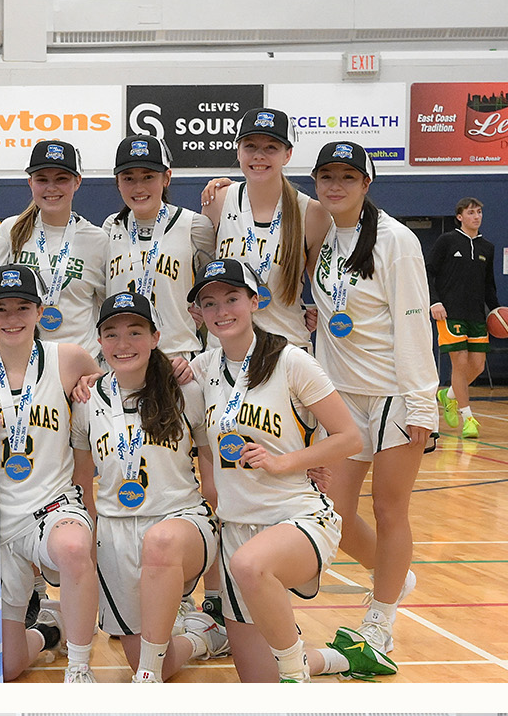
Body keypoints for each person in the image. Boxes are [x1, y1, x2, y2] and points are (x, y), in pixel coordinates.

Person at [188, 258, 377, 685]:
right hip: (238, 526)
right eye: (210, 303)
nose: (222, 311)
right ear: (198, 314)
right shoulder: (202, 369)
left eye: (232, 298)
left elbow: (350, 437)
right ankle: (341, 657)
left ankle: (295, 676)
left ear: (255, 300)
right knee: (257, 679)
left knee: (250, 566)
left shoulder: (292, 360)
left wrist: (286, 461)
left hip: (297, 515)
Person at [305, 141, 437, 662]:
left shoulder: (396, 241)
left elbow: (412, 322)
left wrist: (423, 403)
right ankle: (393, 576)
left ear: (366, 183)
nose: (335, 186)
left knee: (388, 507)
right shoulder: (323, 236)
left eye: (347, 177)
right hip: (340, 398)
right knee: (333, 516)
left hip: (393, 395)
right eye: (326, 177)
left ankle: (380, 618)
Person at [0, 264, 101, 682]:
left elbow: (114, 401)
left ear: (39, 311)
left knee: (71, 548)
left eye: (22, 308)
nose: (12, 318)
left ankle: (80, 668)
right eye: (1, 309)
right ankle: (50, 630)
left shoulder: (68, 359)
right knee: (8, 668)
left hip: (53, 506)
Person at [72, 289, 224, 684]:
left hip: (181, 520)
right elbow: (82, 483)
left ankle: (148, 680)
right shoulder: (86, 399)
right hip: (117, 529)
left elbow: (212, 466)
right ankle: (204, 636)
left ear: (156, 336)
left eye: (136, 332)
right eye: (112, 334)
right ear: (100, 341)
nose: (124, 344)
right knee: (156, 656)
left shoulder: (185, 388)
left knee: (160, 544)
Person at [201, 109, 319, 351]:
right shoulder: (218, 200)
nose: (259, 156)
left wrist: (317, 312)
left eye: (271, 148)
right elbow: (202, 275)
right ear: (238, 151)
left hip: (287, 349)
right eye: (251, 146)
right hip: (225, 349)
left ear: (288, 155)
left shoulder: (312, 213)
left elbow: (325, 288)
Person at [102, 135, 216, 360]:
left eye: (148, 177)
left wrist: (202, 310)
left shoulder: (194, 225)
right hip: (123, 358)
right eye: (128, 178)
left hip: (178, 358)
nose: (138, 187)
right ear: (117, 181)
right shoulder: (110, 227)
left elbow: (218, 285)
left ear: (167, 178)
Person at [0, 139, 110, 357]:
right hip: (25, 362)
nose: (51, 187)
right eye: (42, 179)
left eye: (61, 179)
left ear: (77, 182)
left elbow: (107, 310)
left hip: (81, 368)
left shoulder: (98, 240)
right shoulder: (10, 231)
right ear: (30, 183)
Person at [424, 198, 497, 440]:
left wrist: (496, 312)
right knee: (460, 363)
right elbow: (428, 271)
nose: (476, 216)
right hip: (449, 312)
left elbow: (489, 285)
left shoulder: (488, 247)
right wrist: (434, 301)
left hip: (476, 314)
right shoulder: (447, 241)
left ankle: (450, 396)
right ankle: (469, 419)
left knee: (478, 366)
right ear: (460, 216)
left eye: (479, 212)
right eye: (471, 212)